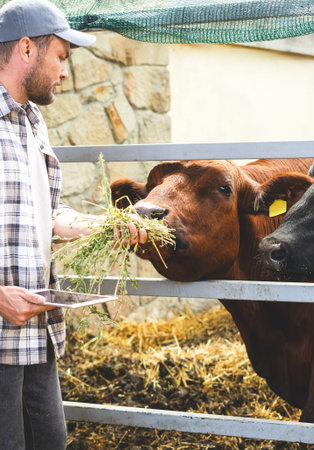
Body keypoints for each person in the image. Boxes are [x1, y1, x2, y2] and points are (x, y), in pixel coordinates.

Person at [0, 0, 147, 448]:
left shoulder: (32, 121)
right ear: (27, 49)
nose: (65, 71)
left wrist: (107, 227)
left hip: (36, 331)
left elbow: (51, 212)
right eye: (61, 57)